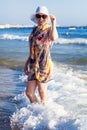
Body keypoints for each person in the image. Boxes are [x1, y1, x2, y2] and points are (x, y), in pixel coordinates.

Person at [24, 6, 58, 104]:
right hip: (33, 64)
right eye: (39, 16)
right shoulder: (34, 30)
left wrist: (54, 22)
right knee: (29, 93)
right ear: (36, 17)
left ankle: (44, 115)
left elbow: (54, 37)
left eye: (43, 16)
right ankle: (37, 111)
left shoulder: (49, 29)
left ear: (47, 18)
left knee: (42, 91)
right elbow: (32, 49)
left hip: (44, 65)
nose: (41, 19)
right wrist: (26, 64)